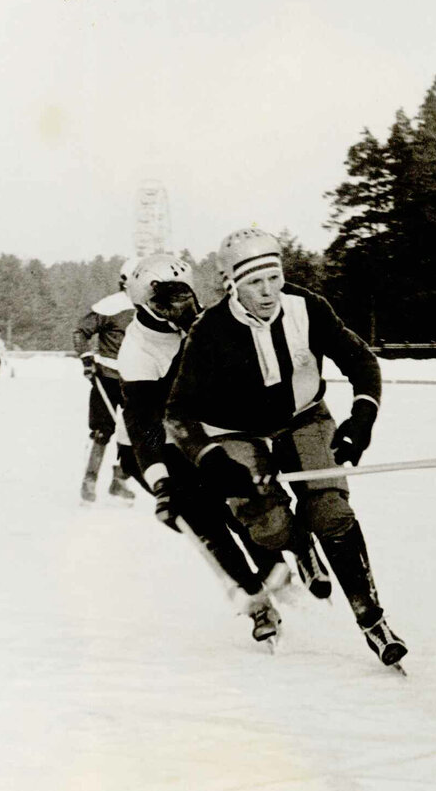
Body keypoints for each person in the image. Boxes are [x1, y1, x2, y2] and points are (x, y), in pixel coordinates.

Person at [164, 228, 407, 668]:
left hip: (305, 417)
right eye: (255, 282)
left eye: (274, 277)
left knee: (330, 512)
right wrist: (211, 459)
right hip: (237, 433)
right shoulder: (210, 330)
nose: (268, 291)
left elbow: (360, 360)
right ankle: (299, 546)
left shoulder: (307, 306)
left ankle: (371, 617)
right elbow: (178, 413)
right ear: (231, 283)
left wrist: (362, 418)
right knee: (269, 528)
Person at [118, 253, 291, 645]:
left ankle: (271, 565)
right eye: (171, 302)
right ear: (149, 304)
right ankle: (256, 602)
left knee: (235, 497)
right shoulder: (137, 351)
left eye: (188, 298)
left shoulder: (198, 324)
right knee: (202, 516)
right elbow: (145, 427)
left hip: (195, 434)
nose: (185, 309)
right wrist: (162, 486)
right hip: (152, 449)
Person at [74, 258, 140, 504]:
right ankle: (89, 483)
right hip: (108, 379)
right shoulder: (111, 306)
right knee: (103, 432)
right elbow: (81, 331)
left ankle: (120, 481)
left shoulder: (152, 307)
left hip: (139, 381)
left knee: (138, 433)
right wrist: (87, 358)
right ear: (125, 281)